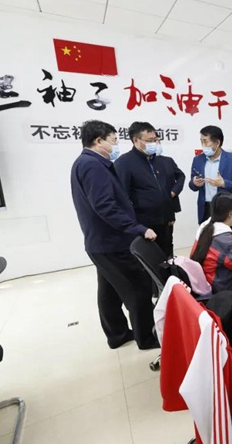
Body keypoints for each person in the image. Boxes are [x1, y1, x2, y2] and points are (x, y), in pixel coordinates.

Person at [70, 120, 158, 350]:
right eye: (114, 140)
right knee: (138, 289)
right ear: (99, 141)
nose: (116, 145)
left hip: (100, 242)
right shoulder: (92, 166)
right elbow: (105, 207)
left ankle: (117, 335)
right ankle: (147, 338)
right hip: (112, 242)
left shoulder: (86, 162)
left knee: (109, 291)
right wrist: (138, 228)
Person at [115, 121, 185, 257]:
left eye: (155, 139)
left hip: (165, 219)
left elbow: (179, 177)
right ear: (136, 140)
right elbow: (122, 196)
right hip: (143, 222)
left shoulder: (162, 161)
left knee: (167, 254)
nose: (153, 143)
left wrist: (173, 193)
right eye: (149, 140)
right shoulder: (124, 163)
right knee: (148, 257)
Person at [191, 192, 232, 294]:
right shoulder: (227, 243)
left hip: (206, 282)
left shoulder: (206, 227)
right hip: (221, 290)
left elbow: (229, 242)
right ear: (231, 214)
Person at [189, 125, 232, 224]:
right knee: (206, 233)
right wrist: (194, 183)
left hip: (225, 208)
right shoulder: (198, 160)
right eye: (201, 141)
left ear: (217, 143)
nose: (203, 145)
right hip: (205, 208)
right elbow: (192, 186)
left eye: (205, 141)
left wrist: (224, 183)